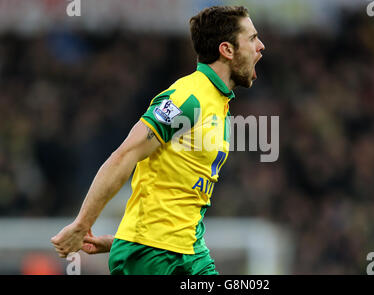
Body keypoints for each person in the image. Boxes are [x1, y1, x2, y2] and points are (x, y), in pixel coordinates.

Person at [51, 5, 265, 275]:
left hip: (189, 251)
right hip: (154, 256)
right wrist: (82, 224)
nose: (261, 46)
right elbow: (125, 154)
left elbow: (172, 192)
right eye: (252, 38)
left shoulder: (218, 103)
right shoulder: (187, 98)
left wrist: (120, 240)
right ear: (227, 50)